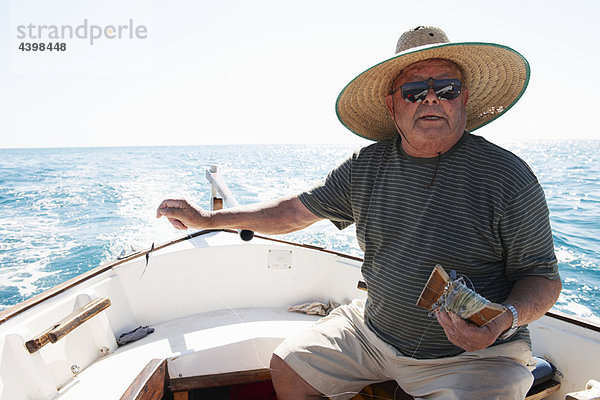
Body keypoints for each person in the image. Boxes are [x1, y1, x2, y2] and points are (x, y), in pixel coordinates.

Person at [156, 26, 562, 400]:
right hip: (372, 332)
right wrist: (209, 221)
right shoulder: (365, 166)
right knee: (289, 368)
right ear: (392, 105)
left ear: (465, 99)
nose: (432, 98)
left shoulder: (508, 176)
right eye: (415, 90)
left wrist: (502, 321)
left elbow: (542, 279)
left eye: (448, 88)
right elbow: (294, 212)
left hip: (477, 356)